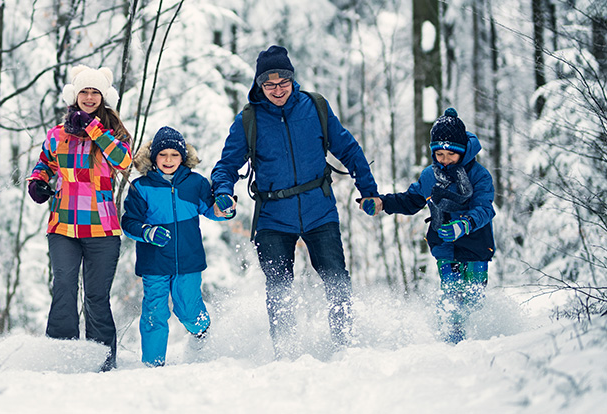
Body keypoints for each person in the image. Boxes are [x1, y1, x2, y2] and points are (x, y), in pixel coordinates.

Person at [210, 45, 381, 358]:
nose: (277, 90)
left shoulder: (314, 107)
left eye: (283, 82)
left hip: (319, 210)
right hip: (273, 217)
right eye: (269, 84)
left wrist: (368, 190)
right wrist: (223, 191)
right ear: (259, 86)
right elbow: (226, 165)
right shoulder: (249, 119)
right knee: (279, 287)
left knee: (337, 280)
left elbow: (350, 150)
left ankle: (345, 346)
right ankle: (285, 352)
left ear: (293, 79)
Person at [26, 65, 132, 371]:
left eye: (94, 92)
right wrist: (37, 181)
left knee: (96, 297)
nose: (88, 97)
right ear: (75, 95)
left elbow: (123, 161)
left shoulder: (115, 134)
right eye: (84, 91)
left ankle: (101, 362)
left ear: (102, 97)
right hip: (63, 225)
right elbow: (44, 163)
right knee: (64, 288)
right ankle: (61, 358)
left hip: (102, 228)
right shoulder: (58, 134)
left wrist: (93, 128)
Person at [367, 108, 496, 344]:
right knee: (452, 292)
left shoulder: (479, 175)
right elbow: (411, 200)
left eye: (451, 155)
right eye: (439, 154)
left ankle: (480, 341)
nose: (445, 160)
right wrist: (382, 202)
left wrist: (463, 225)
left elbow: (485, 209)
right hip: (445, 247)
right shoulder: (430, 176)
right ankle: (451, 339)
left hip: (476, 246)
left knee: (474, 298)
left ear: (463, 151)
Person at [122, 126, 231, 367]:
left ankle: (202, 335)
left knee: (188, 309)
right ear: (154, 158)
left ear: (183, 157)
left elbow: (212, 210)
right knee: (154, 312)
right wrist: (146, 232)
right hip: (154, 263)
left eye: (174, 155)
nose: (168, 160)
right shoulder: (141, 187)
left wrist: (225, 208)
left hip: (188, 261)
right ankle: (152, 364)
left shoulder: (196, 184)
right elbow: (128, 222)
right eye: (163, 155)